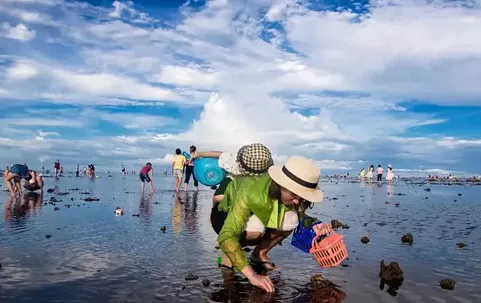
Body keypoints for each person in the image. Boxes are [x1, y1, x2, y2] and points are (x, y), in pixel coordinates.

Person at [213, 155, 326, 293]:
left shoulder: (286, 195)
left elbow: (297, 212)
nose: (297, 201)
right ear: (281, 184)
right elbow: (227, 235)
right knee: (255, 231)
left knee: (292, 219)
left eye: (302, 198)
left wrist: (313, 223)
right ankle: (229, 254)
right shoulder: (251, 191)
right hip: (224, 215)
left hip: (256, 210)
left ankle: (258, 254)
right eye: (295, 195)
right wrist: (252, 275)